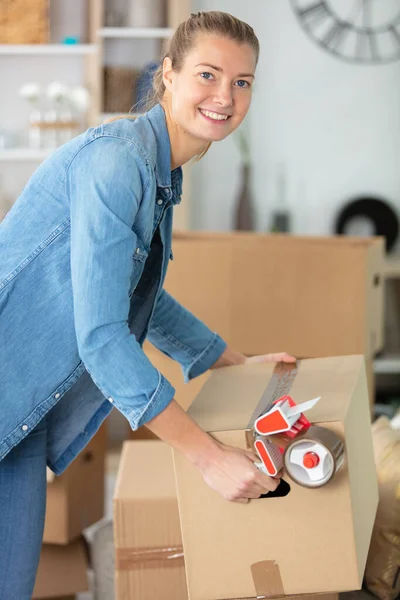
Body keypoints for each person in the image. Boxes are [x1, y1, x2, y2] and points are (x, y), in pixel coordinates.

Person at [0, 10, 296, 598]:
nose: (224, 96)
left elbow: (138, 294)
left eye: (241, 82)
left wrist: (231, 363)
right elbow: (104, 335)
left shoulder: (159, 169)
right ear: (168, 74)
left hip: (19, 409)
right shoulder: (118, 162)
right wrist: (208, 457)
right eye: (208, 75)